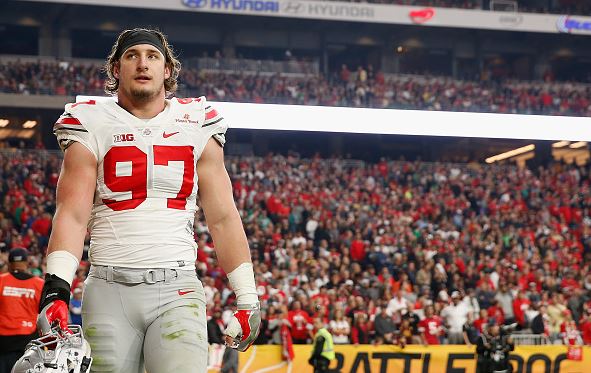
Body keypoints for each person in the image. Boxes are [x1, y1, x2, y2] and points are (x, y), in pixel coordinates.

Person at [36, 28, 260, 373]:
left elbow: (223, 217)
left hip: (178, 287)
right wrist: (56, 290)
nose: (143, 64)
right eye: (132, 56)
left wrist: (247, 296)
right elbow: (72, 214)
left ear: (167, 70)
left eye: (152, 56)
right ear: (115, 69)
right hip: (109, 289)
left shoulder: (197, 121)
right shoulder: (90, 120)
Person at [0, 248, 44, 372]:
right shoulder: (39, 284)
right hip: (28, 340)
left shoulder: (1, 281)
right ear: (26, 263)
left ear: (9, 264)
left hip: (3, 341)